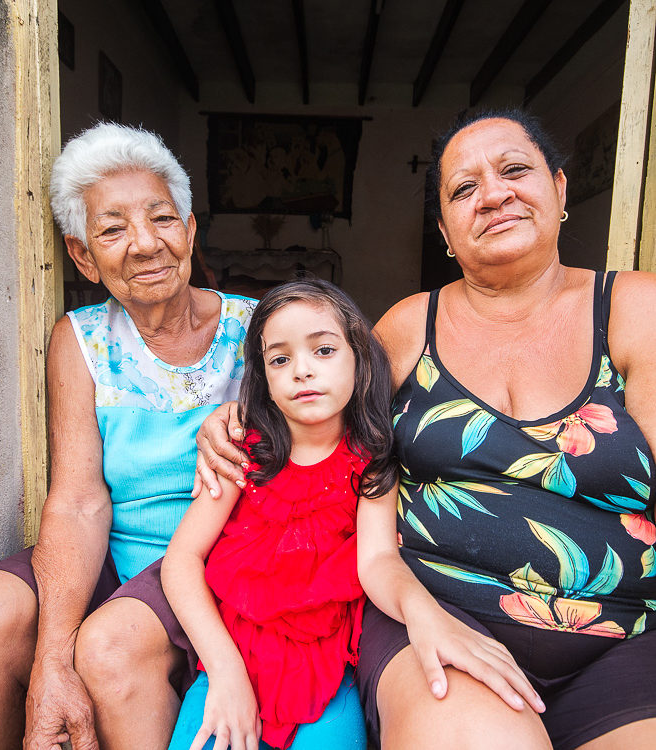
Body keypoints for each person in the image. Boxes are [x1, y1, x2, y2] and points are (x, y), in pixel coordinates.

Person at [196, 110, 656, 750]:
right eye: (463, 189)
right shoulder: (413, 324)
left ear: (559, 187)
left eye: (515, 170)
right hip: (436, 614)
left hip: (622, 640)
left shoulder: (635, 308)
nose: (493, 194)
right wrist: (230, 416)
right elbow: (315, 397)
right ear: (445, 230)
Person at [0, 122, 256, 750]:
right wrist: (52, 663)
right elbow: (79, 501)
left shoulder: (258, 329)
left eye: (162, 219)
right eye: (111, 229)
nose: (144, 244)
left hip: (219, 562)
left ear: (189, 232)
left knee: (113, 647)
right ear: (83, 256)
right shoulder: (81, 339)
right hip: (110, 563)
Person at [163, 279, 397, 750]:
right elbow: (181, 560)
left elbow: (379, 563)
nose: (302, 371)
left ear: (359, 358)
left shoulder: (371, 463)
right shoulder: (244, 454)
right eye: (280, 359)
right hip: (232, 660)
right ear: (264, 379)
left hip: (328, 674)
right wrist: (226, 675)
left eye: (324, 351)